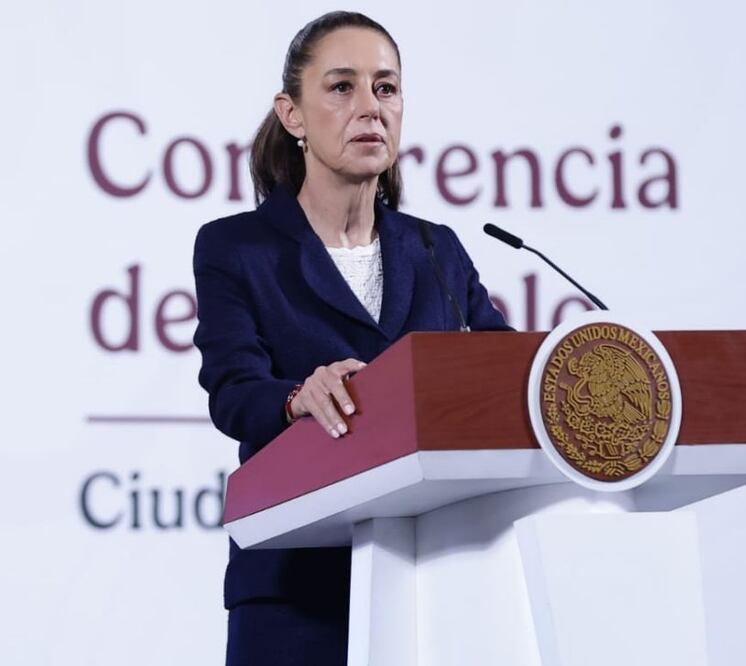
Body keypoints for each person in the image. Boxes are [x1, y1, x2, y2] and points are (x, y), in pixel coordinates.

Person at [192, 11, 509, 665]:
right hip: (294, 590)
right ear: (293, 114)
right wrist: (298, 398)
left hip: (437, 584)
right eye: (342, 87)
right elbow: (233, 392)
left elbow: (502, 368)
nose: (370, 106)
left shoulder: (437, 249)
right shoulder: (237, 247)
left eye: (386, 88)